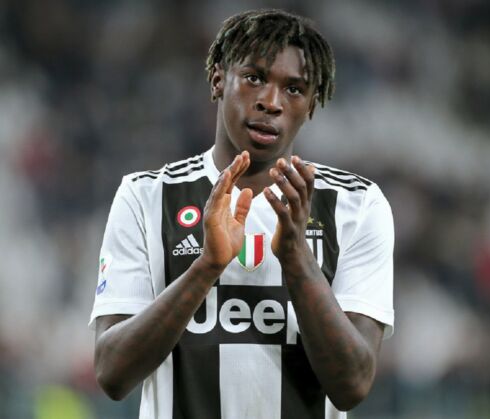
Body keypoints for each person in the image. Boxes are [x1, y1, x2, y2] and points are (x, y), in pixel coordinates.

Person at [90, 9, 394, 419]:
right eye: (254, 78)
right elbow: (112, 373)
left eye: (294, 89)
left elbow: (352, 385)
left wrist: (297, 260)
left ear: (311, 104)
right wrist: (206, 267)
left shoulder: (356, 205)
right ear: (218, 79)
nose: (271, 102)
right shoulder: (146, 196)